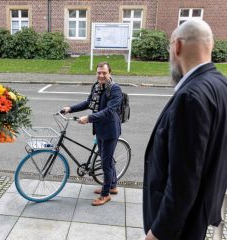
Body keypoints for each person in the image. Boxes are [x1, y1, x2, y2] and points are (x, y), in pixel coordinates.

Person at [143, 19, 227, 240]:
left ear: (177, 46)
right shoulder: (221, 85)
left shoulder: (190, 97)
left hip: (179, 228)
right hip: (199, 214)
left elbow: (183, 182)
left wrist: (157, 233)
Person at [62, 62, 123, 206]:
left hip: (110, 131)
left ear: (110, 74)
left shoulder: (115, 89)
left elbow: (109, 111)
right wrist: (70, 108)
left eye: (104, 73)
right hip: (99, 129)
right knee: (105, 158)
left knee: (106, 164)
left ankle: (105, 194)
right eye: (99, 73)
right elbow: (88, 103)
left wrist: (89, 118)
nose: (101, 75)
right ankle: (112, 186)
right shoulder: (96, 86)